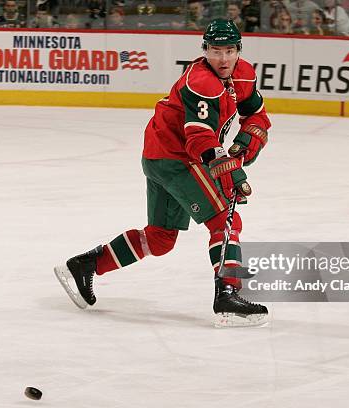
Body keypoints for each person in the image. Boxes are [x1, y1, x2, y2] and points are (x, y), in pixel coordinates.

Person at [54, 19, 271, 327]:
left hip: (160, 155)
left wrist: (246, 141)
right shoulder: (200, 82)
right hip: (176, 158)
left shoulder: (244, 75)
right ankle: (227, 296)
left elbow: (257, 115)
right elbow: (199, 137)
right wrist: (228, 169)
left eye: (228, 50)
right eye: (215, 50)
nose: (222, 59)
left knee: (160, 238)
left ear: (238, 50)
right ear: (205, 50)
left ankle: (85, 265)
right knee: (225, 219)